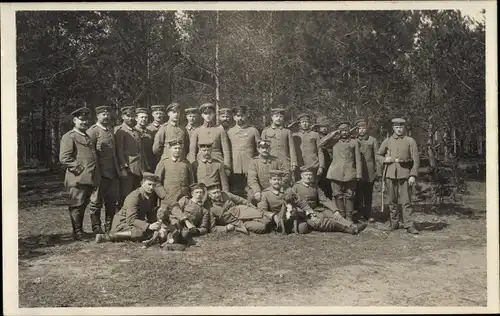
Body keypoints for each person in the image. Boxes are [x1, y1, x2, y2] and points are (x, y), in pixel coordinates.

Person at [59, 107, 101, 240]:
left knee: (83, 205)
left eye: (86, 120)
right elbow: (64, 158)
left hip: (89, 177)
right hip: (77, 178)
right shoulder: (69, 136)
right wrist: (79, 170)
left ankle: (80, 231)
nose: (84, 122)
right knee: (76, 205)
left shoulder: (87, 136)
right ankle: (77, 232)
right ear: (74, 120)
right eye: (81, 120)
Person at [289, 166, 367, 234]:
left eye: (310, 175)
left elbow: (324, 199)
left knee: (333, 215)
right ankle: (346, 229)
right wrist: (307, 213)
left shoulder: (315, 186)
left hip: (317, 209)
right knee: (321, 222)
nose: (308, 177)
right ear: (301, 175)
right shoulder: (296, 187)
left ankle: (352, 225)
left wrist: (335, 210)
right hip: (305, 213)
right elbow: (293, 203)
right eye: (306, 175)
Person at [376, 117, 420, 234]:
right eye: (396, 127)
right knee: (392, 201)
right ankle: (393, 223)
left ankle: (409, 225)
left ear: (404, 128)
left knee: (406, 201)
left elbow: (416, 160)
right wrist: (385, 159)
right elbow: (378, 155)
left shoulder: (410, 141)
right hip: (390, 174)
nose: (399, 129)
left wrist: (413, 175)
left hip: (405, 175)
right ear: (393, 128)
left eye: (401, 127)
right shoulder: (388, 141)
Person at [95, 173, 163, 243]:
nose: (151, 187)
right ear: (142, 183)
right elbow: (131, 219)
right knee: (140, 233)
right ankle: (108, 237)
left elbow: (149, 214)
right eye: (149, 184)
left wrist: (156, 225)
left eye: (153, 185)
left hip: (134, 224)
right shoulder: (135, 197)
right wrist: (148, 226)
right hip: (122, 224)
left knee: (151, 232)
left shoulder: (149, 196)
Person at [86, 105, 121, 234]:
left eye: (107, 115)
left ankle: (109, 227)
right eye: (103, 115)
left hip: (113, 173)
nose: (106, 117)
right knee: (96, 202)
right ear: (97, 116)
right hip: (100, 174)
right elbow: (90, 155)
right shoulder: (93, 131)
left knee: (112, 201)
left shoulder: (110, 130)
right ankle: (96, 228)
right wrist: (95, 173)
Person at [319, 121, 362, 222]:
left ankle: (349, 217)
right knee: (337, 195)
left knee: (350, 195)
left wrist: (359, 173)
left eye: (346, 130)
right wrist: (333, 134)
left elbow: (358, 159)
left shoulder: (354, 142)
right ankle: (342, 216)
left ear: (349, 131)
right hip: (335, 172)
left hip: (350, 173)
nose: (344, 133)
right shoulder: (334, 141)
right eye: (342, 131)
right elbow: (321, 144)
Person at [204, 182, 271, 234]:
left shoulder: (226, 194)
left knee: (268, 221)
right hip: (239, 222)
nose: (217, 194)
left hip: (244, 212)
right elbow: (212, 228)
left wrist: (254, 208)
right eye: (214, 193)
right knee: (262, 227)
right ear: (209, 195)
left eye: (218, 192)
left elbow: (242, 200)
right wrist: (226, 228)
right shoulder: (210, 209)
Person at [257, 170, 310, 234]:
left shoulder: (288, 189)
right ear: (270, 181)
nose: (277, 182)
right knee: (277, 224)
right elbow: (262, 210)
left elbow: (299, 201)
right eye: (274, 179)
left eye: (279, 179)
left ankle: (291, 228)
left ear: (282, 180)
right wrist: (273, 216)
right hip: (277, 217)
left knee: (303, 228)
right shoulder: (265, 193)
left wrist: (309, 210)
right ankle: (281, 228)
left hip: (290, 215)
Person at [226, 105, 261, 198]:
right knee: (236, 191)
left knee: (251, 190)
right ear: (234, 117)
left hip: (250, 165)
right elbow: (226, 150)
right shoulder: (230, 131)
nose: (240, 118)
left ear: (246, 116)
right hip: (235, 166)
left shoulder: (253, 130)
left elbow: (260, 148)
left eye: (242, 115)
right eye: (237, 116)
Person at [189, 102, 232, 176]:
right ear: (202, 115)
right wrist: (193, 165)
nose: (208, 116)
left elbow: (226, 150)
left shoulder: (220, 129)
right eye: (205, 113)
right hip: (201, 163)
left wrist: (227, 167)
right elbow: (192, 151)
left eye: (210, 113)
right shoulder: (197, 131)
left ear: (214, 114)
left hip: (217, 162)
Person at [115, 106, 147, 206]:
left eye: (132, 116)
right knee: (125, 196)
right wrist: (123, 168)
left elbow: (140, 151)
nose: (130, 118)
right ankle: (121, 220)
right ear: (123, 116)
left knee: (137, 196)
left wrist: (144, 167)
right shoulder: (120, 131)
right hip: (128, 169)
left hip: (138, 169)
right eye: (128, 116)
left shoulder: (135, 131)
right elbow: (119, 151)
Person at [354, 118, 381, 223]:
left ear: (367, 129)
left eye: (363, 128)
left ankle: (368, 214)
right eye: (359, 128)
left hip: (369, 172)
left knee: (368, 194)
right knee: (358, 194)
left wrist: (378, 172)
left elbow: (377, 157)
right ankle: (359, 214)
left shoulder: (372, 140)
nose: (361, 130)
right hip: (357, 171)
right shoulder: (354, 140)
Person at [261, 106, 297, 183]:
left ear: (283, 118)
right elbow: (261, 148)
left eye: (281, 116)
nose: (278, 118)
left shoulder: (287, 132)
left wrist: (293, 162)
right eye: (276, 116)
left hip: (284, 160)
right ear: (272, 118)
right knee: (270, 180)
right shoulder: (266, 131)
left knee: (285, 181)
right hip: (270, 160)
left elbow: (292, 148)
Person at [155, 139, 194, 209]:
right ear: (170, 149)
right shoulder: (164, 163)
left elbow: (191, 182)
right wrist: (164, 195)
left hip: (184, 198)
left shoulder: (186, 163)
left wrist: (189, 195)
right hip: (169, 198)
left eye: (179, 148)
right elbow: (156, 182)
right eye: (175, 148)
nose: (177, 150)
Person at [247, 139, 286, 205]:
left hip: (276, 187)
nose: (265, 150)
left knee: (288, 194)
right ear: (258, 149)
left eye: (267, 148)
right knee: (251, 195)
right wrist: (257, 191)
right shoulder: (254, 162)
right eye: (262, 148)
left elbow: (285, 174)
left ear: (270, 149)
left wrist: (280, 186)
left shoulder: (276, 160)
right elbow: (252, 179)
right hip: (261, 188)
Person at [292, 113, 325, 182]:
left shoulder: (315, 135)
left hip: (313, 165)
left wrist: (321, 166)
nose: (304, 124)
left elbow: (320, 151)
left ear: (309, 123)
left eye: (306, 122)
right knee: (299, 186)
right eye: (302, 122)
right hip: (299, 165)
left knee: (313, 186)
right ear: (299, 124)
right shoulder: (295, 135)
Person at [312, 116, 333, 199]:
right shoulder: (315, 137)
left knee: (329, 186)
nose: (324, 129)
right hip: (319, 164)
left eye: (326, 127)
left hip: (330, 164)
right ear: (318, 128)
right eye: (322, 127)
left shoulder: (332, 137)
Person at [135, 107, 156, 173]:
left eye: (146, 117)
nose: (144, 119)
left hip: (149, 165)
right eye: (142, 117)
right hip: (137, 167)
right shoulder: (132, 132)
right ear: (136, 118)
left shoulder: (150, 133)